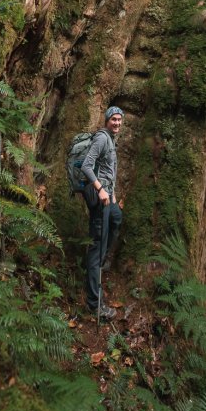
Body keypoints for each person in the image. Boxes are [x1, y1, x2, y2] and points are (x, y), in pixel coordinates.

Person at [80, 105, 123, 320]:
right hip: (99, 198)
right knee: (97, 245)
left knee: (117, 218)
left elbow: (109, 171)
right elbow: (87, 166)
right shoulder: (101, 139)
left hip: (108, 197)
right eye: (113, 119)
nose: (116, 123)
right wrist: (101, 190)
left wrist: (112, 194)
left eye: (119, 120)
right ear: (107, 120)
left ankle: (99, 263)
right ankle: (94, 304)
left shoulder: (111, 140)